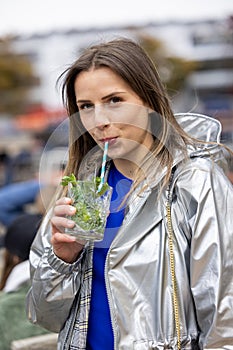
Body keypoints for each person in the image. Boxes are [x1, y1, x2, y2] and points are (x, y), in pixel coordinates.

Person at [26, 37, 233, 349]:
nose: (100, 121)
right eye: (86, 107)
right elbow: (45, 317)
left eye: (114, 100)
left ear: (148, 101)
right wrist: (61, 260)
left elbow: (225, 316)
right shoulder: (79, 189)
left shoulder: (196, 182)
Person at [0, 185, 56, 349]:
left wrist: (42, 182)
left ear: (14, 258)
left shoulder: (4, 307)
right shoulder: (67, 292)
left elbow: (3, 201)